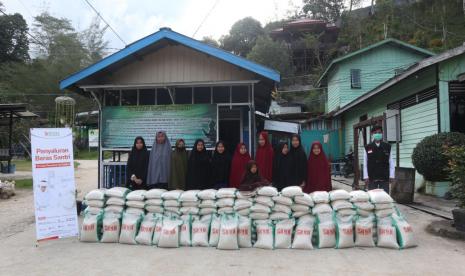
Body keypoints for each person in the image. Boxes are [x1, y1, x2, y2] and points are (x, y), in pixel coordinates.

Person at [363, 125, 395, 193]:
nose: (377, 134)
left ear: (382, 134)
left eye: (379, 132)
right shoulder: (367, 147)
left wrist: (391, 175)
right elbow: (365, 163)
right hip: (372, 177)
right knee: (372, 197)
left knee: (385, 198)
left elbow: (391, 162)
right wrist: (366, 176)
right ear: (372, 134)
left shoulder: (388, 147)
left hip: (384, 177)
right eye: (375, 133)